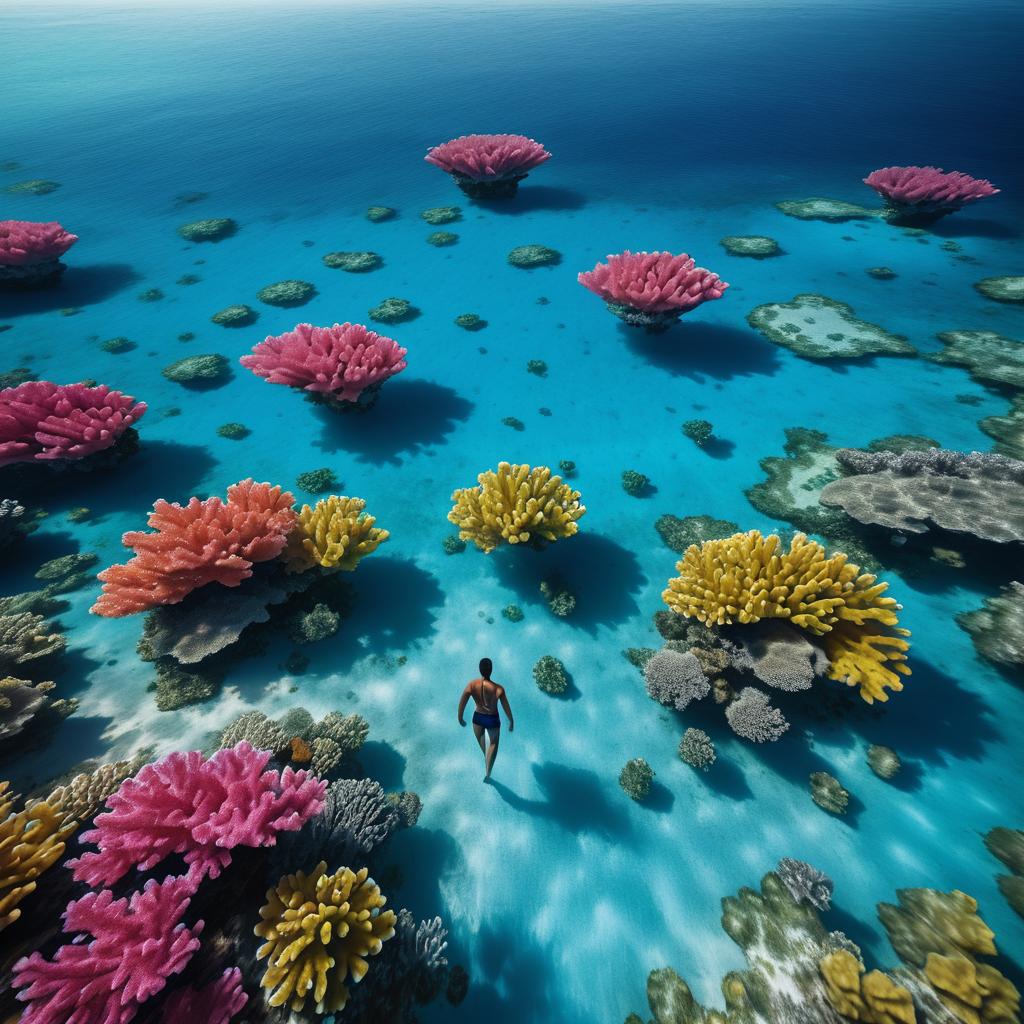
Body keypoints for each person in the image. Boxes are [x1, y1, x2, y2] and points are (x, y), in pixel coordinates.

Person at [458, 657, 514, 781]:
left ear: (479, 670)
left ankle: (486, 757)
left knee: (481, 740)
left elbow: (463, 702)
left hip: (477, 718)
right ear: (491, 670)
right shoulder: (499, 689)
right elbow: (506, 707)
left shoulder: (472, 685)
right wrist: (511, 721)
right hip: (492, 719)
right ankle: (488, 773)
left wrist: (460, 717)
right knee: (493, 745)